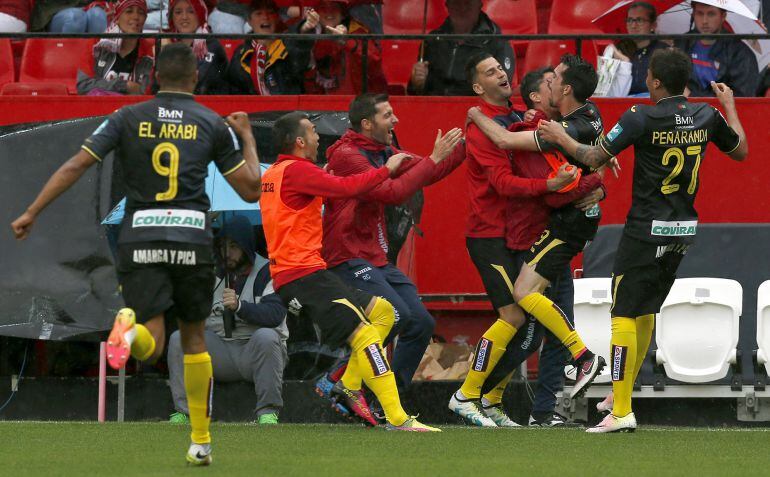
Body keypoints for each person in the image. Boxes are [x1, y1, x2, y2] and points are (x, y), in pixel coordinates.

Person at [11, 43, 263, 464]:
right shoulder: (211, 124)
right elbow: (252, 188)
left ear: (154, 77)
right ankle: (200, 441)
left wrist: (33, 211)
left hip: (140, 237)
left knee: (152, 341)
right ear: (195, 78)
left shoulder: (127, 117)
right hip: (191, 239)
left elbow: (77, 164)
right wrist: (249, 138)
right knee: (194, 339)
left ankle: (128, 331)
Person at [537, 48, 747, 432]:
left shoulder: (640, 116)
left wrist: (557, 136)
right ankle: (622, 395)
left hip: (646, 229)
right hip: (683, 231)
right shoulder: (707, 114)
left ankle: (620, 410)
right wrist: (729, 105)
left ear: (654, 81)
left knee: (622, 315)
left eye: (648, 75)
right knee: (646, 310)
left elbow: (592, 155)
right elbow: (741, 151)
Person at [449, 53, 603, 427]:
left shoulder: (530, 120)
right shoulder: (496, 127)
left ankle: (494, 400)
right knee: (518, 315)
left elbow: (579, 162)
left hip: (535, 231)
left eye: (500, 68)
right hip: (493, 235)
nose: (501, 72)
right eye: (490, 70)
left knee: (532, 327)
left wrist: (594, 181)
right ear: (476, 86)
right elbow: (505, 182)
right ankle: (469, 394)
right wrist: (567, 184)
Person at [260, 111, 439, 431]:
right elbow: (348, 188)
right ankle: (398, 419)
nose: (318, 137)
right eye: (313, 132)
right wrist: (386, 169)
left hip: (307, 273)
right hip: (303, 278)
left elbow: (304, 200)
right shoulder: (299, 171)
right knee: (367, 333)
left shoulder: (276, 172)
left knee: (385, 312)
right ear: (299, 141)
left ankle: (347, 383)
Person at [315, 93, 463, 409]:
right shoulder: (347, 155)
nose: (395, 120)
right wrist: (434, 158)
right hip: (346, 256)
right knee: (396, 314)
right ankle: (337, 380)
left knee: (420, 323)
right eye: (387, 115)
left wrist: (470, 145)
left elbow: (427, 172)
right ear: (367, 123)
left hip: (374, 257)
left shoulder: (383, 151)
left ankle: (386, 401)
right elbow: (392, 193)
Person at [167, 216, 288, 426]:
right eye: (223, 246)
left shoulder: (268, 272)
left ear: (247, 246)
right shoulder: (211, 273)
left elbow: (275, 314)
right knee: (180, 338)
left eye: (234, 246)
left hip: (255, 354)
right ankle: (185, 412)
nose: (227, 253)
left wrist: (241, 306)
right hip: (221, 351)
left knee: (267, 336)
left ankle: (268, 412)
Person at [408, 0, 514, 96]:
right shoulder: (433, 40)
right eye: (456, 3)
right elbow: (415, 92)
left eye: (467, 3)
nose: (462, 9)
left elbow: (502, 90)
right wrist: (416, 84)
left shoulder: (497, 41)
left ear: (479, 5)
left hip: (476, 111)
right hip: (434, 109)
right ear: (447, 5)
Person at [299, 1, 387, 95]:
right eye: (323, 7)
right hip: (319, 103)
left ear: (343, 13)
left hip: (358, 100)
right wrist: (303, 32)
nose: (329, 12)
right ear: (316, 13)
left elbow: (373, 60)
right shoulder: (310, 32)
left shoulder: (359, 32)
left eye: (335, 7)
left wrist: (347, 41)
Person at [226, 0, 312, 95]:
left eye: (270, 13)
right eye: (258, 13)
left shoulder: (288, 45)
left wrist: (303, 30)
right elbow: (235, 92)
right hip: (252, 109)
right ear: (249, 21)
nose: (265, 17)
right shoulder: (241, 54)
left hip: (288, 108)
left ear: (277, 18)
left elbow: (299, 51)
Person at [674, 1, 759, 97]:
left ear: (723, 16)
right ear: (693, 14)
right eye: (700, 13)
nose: (704, 21)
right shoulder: (681, 44)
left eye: (711, 14)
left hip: (721, 111)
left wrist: (691, 96)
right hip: (684, 110)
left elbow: (742, 99)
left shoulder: (741, 54)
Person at [76, 0, 155, 96]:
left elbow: (147, 91)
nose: (136, 17)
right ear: (117, 16)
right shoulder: (96, 44)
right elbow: (83, 85)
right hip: (99, 108)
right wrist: (124, 85)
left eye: (141, 13)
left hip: (135, 109)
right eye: (129, 11)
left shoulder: (150, 51)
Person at [159, 0, 230, 94]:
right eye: (178, 12)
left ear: (200, 14)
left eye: (191, 11)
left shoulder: (212, 46)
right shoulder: (162, 42)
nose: (184, 17)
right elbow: (155, 87)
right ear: (172, 17)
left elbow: (197, 85)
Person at [601, 1, 668, 97]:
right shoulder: (619, 50)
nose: (633, 25)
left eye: (639, 20)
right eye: (630, 20)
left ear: (653, 25)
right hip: (622, 106)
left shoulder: (663, 51)